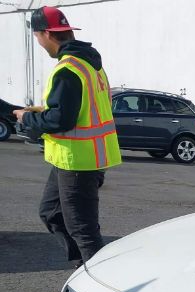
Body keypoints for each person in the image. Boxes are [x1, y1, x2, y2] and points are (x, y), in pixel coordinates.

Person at [13, 6, 120, 268]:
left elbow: (61, 120)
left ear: (47, 34)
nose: (39, 43)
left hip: (77, 163)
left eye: (37, 37)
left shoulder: (67, 69)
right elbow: (78, 109)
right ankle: (83, 269)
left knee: (83, 231)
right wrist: (40, 111)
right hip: (77, 160)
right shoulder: (89, 64)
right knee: (51, 213)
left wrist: (27, 119)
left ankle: (100, 286)